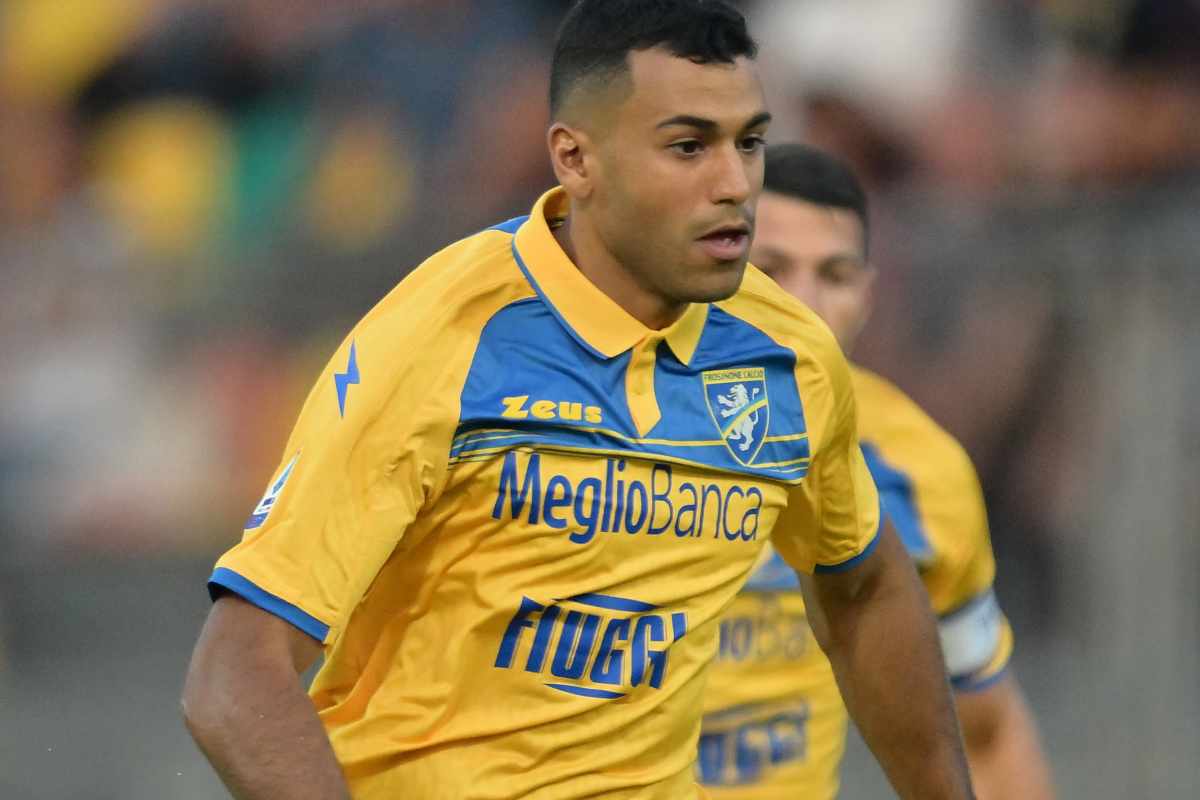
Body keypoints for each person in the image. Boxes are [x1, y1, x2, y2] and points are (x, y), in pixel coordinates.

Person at [181, 3, 974, 798]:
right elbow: (234, 676)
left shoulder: (786, 355)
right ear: (576, 159)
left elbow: (865, 585)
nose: (735, 185)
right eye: (689, 146)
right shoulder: (445, 338)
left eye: (750, 143)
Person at [698, 143, 1055, 799]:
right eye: (771, 270)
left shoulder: (919, 470)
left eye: (834, 276)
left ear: (866, 296)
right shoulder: (607, 431)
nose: (804, 303)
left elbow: (986, 732)